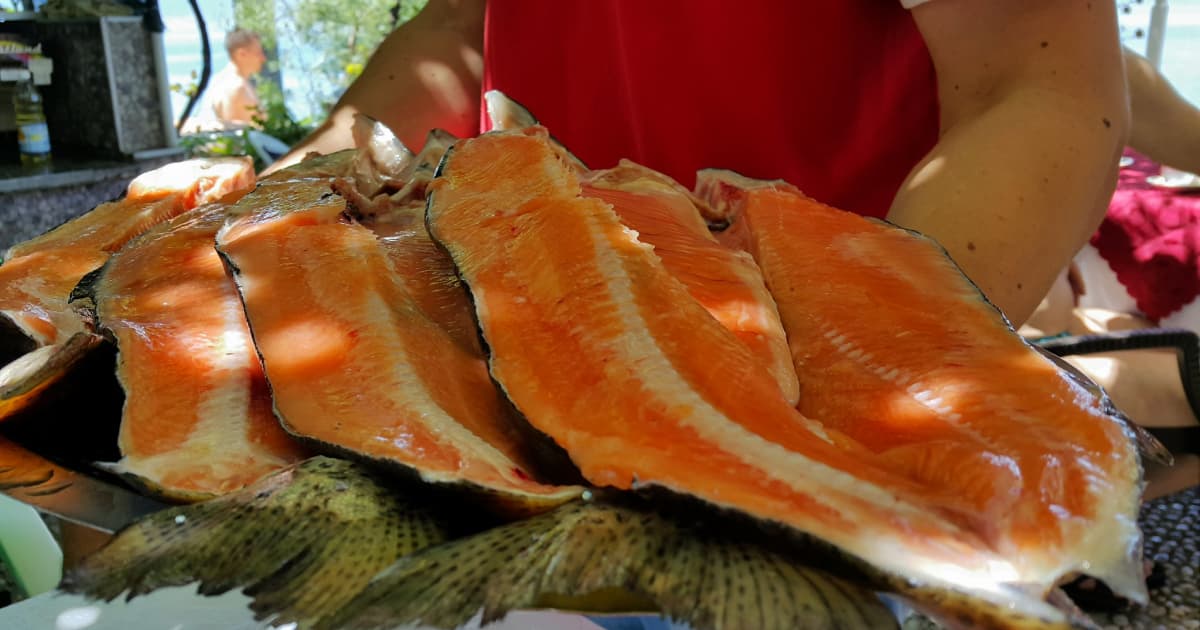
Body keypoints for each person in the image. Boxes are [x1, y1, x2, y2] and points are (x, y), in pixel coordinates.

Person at [268, 0, 1128, 329]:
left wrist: (866, 364)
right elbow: (463, 26)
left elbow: (1035, 85)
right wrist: (305, 181)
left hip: (804, 378)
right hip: (516, 342)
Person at [183, 28, 267, 132]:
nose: (263, 58)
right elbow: (234, 139)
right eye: (258, 53)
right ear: (242, 54)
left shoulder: (228, 82)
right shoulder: (235, 87)